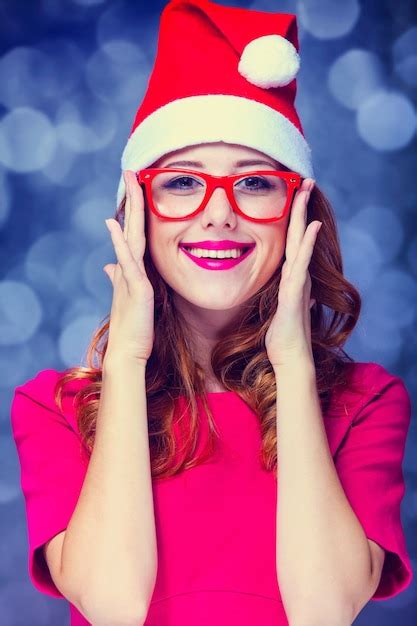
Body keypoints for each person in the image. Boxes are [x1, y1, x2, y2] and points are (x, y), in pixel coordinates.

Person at [11, 1, 413, 625]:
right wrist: (128, 360)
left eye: (254, 182)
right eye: (182, 182)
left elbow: (324, 611)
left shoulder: (367, 402)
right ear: (136, 214)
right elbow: (114, 607)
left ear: (297, 215)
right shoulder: (57, 408)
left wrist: (292, 364)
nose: (218, 213)